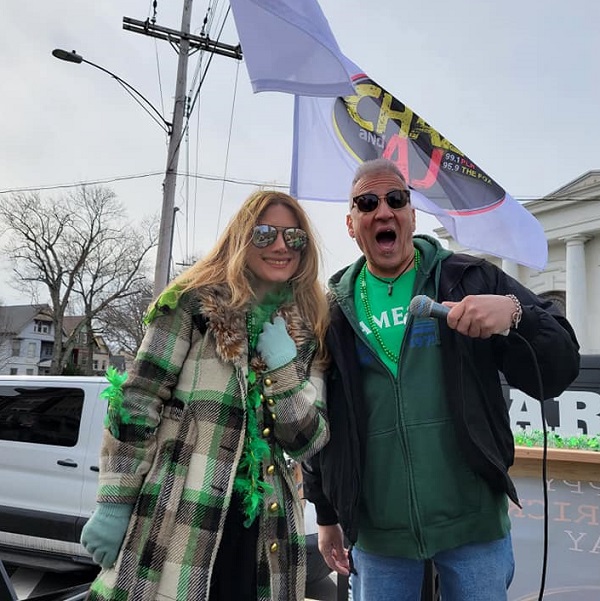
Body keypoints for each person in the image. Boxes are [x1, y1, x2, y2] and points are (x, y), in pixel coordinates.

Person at [302, 158, 580, 601]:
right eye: (367, 203)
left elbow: (559, 367)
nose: (384, 211)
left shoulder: (467, 278)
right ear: (352, 224)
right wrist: (325, 513)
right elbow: (318, 419)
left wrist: (514, 311)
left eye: (396, 199)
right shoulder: (330, 310)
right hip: (378, 537)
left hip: (474, 527)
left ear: (412, 214)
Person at [81, 190, 330, 601]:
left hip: (267, 534)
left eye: (295, 237)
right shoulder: (193, 305)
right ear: (241, 240)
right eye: (266, 234)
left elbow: (308, 439)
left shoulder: (308, 330)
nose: (282, 246)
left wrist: (284, 367)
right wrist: (114, 501)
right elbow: (137, 401)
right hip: (179, 519)